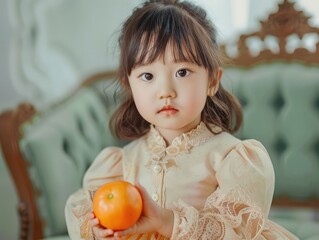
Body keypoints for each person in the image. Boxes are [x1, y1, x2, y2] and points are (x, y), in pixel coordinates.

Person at [65, 0, 298, 239]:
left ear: (212, 81)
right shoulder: (120, 163)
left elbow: (237, 232)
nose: (165, 90)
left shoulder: (232, 159)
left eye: (182, 72)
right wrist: (98, 228)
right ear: (129, 85)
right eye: (147, 75)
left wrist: (168, 222)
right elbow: (83, 211)